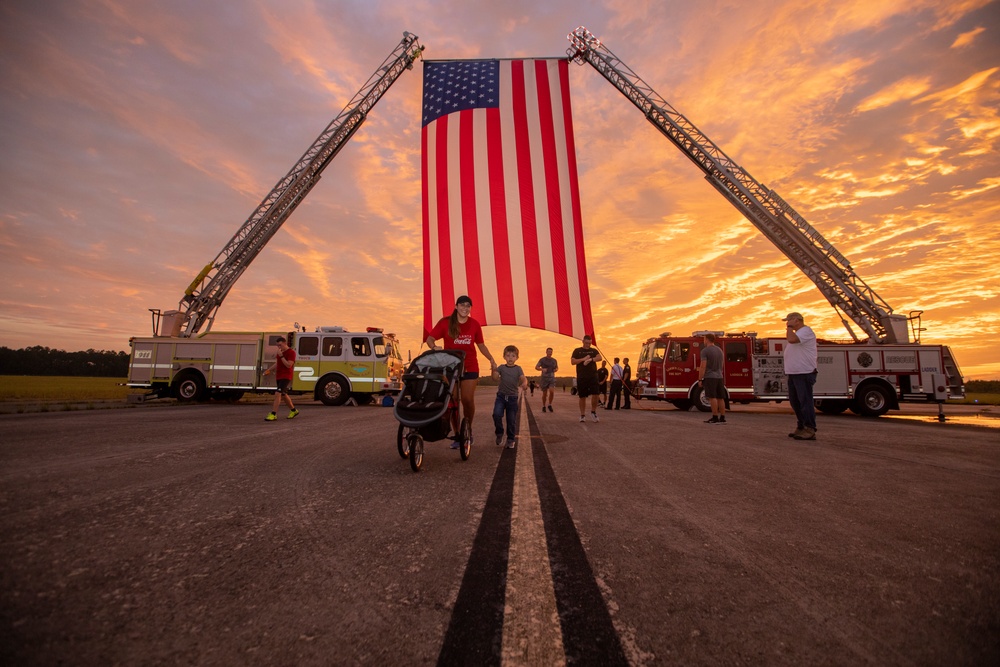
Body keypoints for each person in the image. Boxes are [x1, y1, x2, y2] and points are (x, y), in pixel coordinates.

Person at [426, 295, 498, 448]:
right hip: (450, 367)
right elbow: (430, 339)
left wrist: (491, 359)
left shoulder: (475, 325)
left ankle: (468, 430)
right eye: (462, 305)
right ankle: (458, 434)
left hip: (470, 366)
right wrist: (434, 347)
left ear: (470, 308)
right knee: (452, 402)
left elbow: (481, 345)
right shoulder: (445, 323)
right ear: (456, 306)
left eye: (468, 306)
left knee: (466, 399)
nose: (465, 308)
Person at [783, 312, 818, 440]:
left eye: (789, 320)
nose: (787, 323)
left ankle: (810, 428)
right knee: (795, 402)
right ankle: (801, 426)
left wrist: (789, 328)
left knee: (805, 401)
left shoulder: (806, 331)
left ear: (797, 320)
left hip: (803, 373)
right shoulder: (798, 333)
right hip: (794, 373)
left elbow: (791, 340)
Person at [492, 345, 527, 449]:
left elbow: (523, 378)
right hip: (501, 397)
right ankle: (499, 433)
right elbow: (495, 378)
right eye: (508, 355)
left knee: (511, 420)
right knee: (496, 415)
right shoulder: (501, 367)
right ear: (504, 357)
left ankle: (511, 439)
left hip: (512, 398)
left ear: (517, 357)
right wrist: (494, 369)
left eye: (513, 356)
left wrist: (525, 383)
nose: (510, 358)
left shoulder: (518, 369)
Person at [263, 336, 299, 421]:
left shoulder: (291, 352)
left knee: (278, 393)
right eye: (277, 346)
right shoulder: (280, 353)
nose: (279, 347)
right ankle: (293, 410)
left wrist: (282, 356)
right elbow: (277, 363)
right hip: (279, 376)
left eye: (280, 345)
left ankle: (273, 414)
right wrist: (269, 370)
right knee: (283, 394)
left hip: (286, 376)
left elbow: (289, 365)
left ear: (285, 343)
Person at [571, 335, 602, 422]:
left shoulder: (593, 350)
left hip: (593, 376)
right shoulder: (577, 351)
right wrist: (583, 359)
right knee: (582, 396)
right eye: (587, 343)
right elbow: (573, 362)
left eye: (590, 343)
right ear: (583, 341)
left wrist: (591, 359)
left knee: (595, 394)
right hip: (582, 376)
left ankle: (593, 412)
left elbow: (600, 358)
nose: (588, 345)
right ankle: (582, 415)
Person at [698, 333, 726, 424]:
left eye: (704, 339)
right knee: (720, 397)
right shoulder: (720, 350)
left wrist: (700, 379)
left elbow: (703, 366)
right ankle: (722, 417)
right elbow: (722, 364)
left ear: (707, 339)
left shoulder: (705, 351)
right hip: (719, 376)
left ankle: (714, 417)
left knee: (712, 397)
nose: (703, 341)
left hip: (710, 376)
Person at [535, 347, 559, 413]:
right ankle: (543, 406)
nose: (550, 353)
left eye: (551, 352)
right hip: (544, 378)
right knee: (544, 394)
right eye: (549, 351)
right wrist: (542, 369)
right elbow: (536, 367)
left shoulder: (554, 360)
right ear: (546, 352)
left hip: (551, 378)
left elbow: (557, 367)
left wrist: (556, 369)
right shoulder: (542, 360)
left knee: (552, 391)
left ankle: (549, 404)